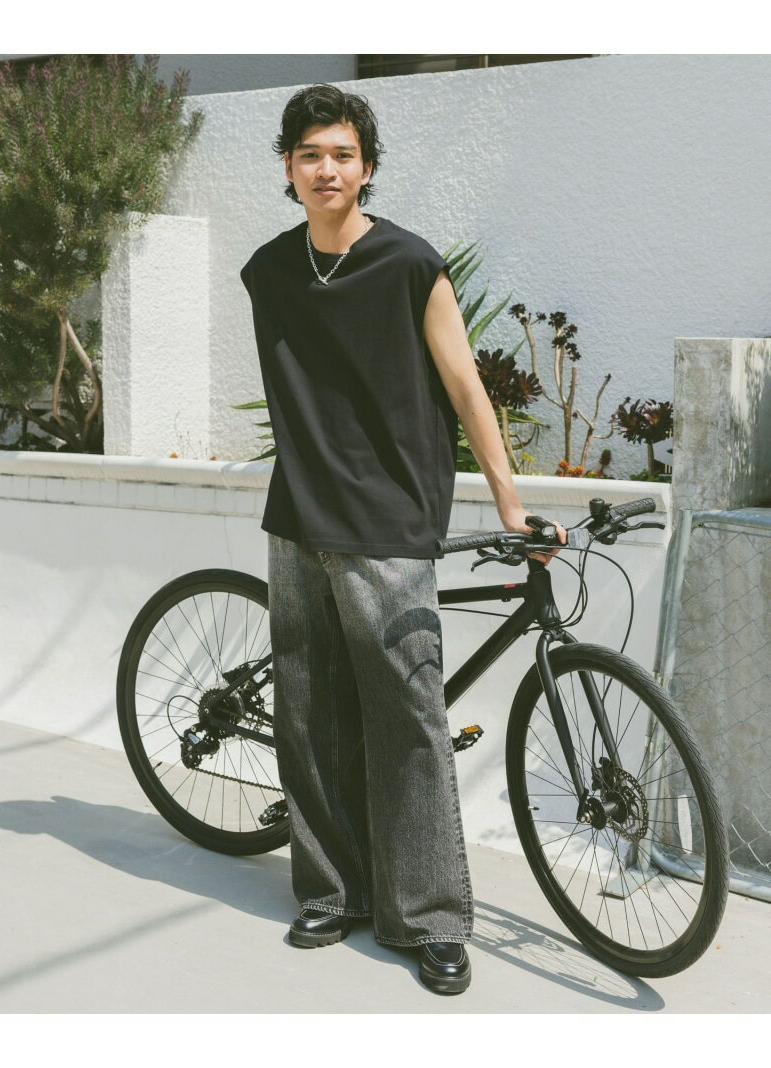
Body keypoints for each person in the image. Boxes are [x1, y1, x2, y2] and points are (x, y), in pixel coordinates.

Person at [239, 83, 566, 996]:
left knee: (408, 721)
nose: (326, 169)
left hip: (387, 518)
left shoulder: (411, 264)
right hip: (299, 513)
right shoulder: (268, 270)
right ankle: (330, 892)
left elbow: (464, 387)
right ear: (289, 168)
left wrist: (508, 503)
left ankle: (427, 919)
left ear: (367, 167)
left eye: (342, 154)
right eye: (310, 154)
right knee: (309, 711)